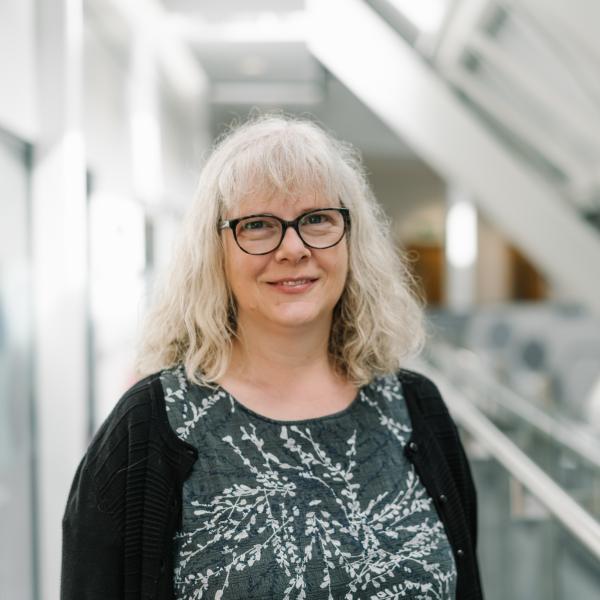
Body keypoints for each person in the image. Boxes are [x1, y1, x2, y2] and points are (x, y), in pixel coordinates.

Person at [61, 114, 483, 600]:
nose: (293, 248)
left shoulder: (417, 410)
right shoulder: (147, 430)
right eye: (258, 225)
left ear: (351, 237)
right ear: (214, 250)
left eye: (317, 220)